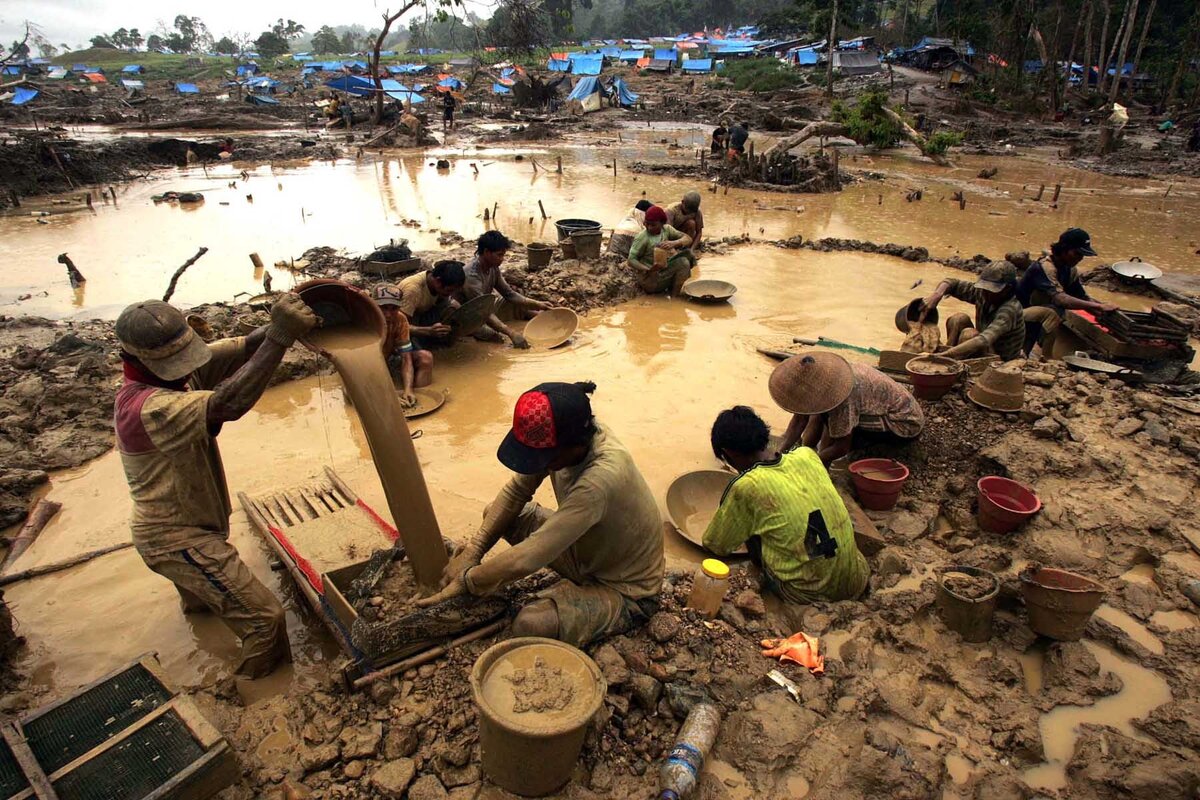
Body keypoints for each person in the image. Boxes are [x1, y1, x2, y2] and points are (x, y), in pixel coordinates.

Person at [114, 295, 317, 678]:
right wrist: (281, 335)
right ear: (137, 360)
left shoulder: (171, 377)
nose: (183, 370)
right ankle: (254, 691)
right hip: (178, 539)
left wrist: (283, 322)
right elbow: (228, 403)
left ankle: (203, 640)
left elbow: (243, 347)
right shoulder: (150, 407)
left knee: (204, 606)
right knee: (265, 620)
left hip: (182, 522)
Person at [416, 382, 665, 648]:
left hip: (626, 589)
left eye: (542, 458)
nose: (537, 465)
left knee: (529, 623)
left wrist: (469, 581)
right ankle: (571, 587)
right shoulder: (573, 430)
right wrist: (472, 553)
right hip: (585, 554)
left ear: (571, 447)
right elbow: (515, 492)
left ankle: (605, 605)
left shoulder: (600, 480)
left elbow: (530, 556)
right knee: (497, 514)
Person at [703, 407, 869, 603]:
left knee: (751, 522)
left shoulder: (747, 486)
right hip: (857, 579)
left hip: (808, 593)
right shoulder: (807, 455)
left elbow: (716, 545)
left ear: (728, 453)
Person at [773, 352, 924, 465]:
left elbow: (841, 447)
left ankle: (820, 458)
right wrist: (779, 455)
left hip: (904, 423)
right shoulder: (830, 374)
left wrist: (813, 463)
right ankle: (809, 450)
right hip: (880, 404)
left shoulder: (842, 396)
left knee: (831, 421)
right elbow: (800, 418)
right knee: (818, 413)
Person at [1017, 228, 1117, 355]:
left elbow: (1082, 297)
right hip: (1019, 316)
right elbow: (1062, 299)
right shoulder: (1044, 267)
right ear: (1064, 250)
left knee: (1053, 313)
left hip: (1037, 319)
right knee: (1053, 312)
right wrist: (1099, 306)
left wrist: (1104, 315)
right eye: (1077, 253)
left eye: (1082, 255)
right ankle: (1046, 357)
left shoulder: (1069, 270)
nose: (1080, 258)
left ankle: (1036, 352)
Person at [917, 261, 1026, 361]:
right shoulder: (982, 294)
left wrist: (944, 355)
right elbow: (952, 283)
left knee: (969, 334)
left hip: (1000, 360)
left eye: (991, 290)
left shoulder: (1010, 309)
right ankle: (950, 356)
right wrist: (937, 295)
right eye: (985, 288)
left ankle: (950, 360)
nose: (985, 293)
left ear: (1006, 289)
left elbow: (983, 340)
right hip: (985, 347)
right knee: (958, 319)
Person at [461, 230, 553, 349]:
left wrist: (539, 304)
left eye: (503, 255)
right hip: (469, 317)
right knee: (496, 337)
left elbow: (509, 294)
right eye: (499, 255)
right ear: (486, 252)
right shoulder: (471, 276)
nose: (502, 259)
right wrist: (511, 333)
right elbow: (483, 312)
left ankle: (540, 320)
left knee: (515, 303)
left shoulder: (493, 267)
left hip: (484, 308)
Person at [375, 285, 432, 408]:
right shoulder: (365, 320)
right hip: (367, 367)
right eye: (384, 308)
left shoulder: (400, 319)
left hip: (387, 360)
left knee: (426, 358)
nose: (388, 314)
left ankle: (420, 398)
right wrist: (388, 395)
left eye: (394, 308)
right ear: (374, 306)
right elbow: (364, 366)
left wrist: (408, 389)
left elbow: (406, 358)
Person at [397, 259, 466, 351]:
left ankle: (439, 342)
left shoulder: (435, 283)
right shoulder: (413, 290)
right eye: (449, 291)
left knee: (454, 307)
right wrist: (428, 331)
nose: (450, 294)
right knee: (422, 356)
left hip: (422, 315)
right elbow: (399, 325)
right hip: (403, 326)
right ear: (438, 281)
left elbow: (450, 304)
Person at [626, 205, 695, 296]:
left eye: (653, 225)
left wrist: (674, 243)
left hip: (662, 271)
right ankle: (675, 297)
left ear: (662, 223)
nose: (649, 227)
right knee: (683, 263)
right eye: (647, 224)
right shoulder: (643, 237)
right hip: (649, 279)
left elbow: (688, 239)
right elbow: (631, 260)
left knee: (688, 254)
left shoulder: (667, 230)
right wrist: (648, 269)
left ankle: (673, 292)